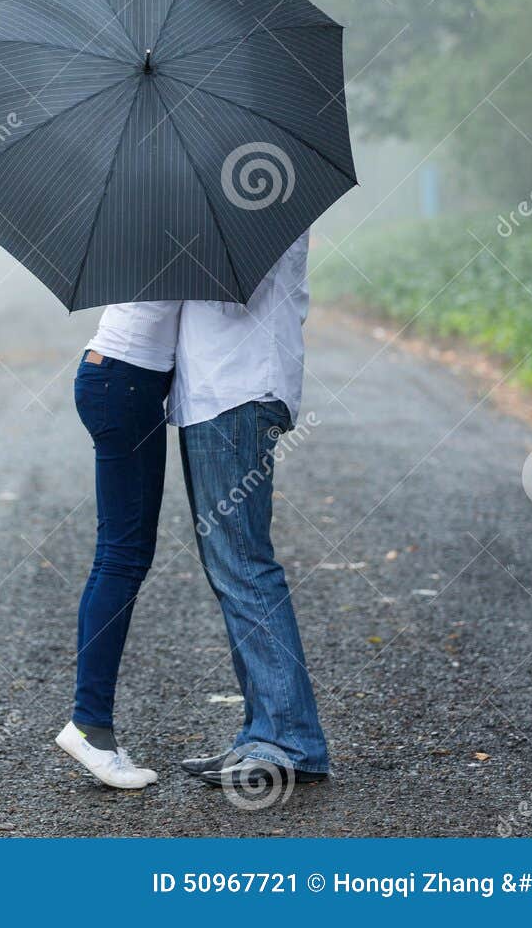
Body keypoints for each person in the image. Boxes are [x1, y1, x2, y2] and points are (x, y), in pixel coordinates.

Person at [169, 231, 329, 789]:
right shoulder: (226, 186)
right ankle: (264, 731)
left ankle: (288, 740)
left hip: (234, 391)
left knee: (243, 565)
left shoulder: (250, 194)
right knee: (232, 568)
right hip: (216, 390)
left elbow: (231, 285)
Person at [54, 300, 180, 789]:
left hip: (120, 377)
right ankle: (90, 725)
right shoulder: (178, 225)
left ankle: (92, 724)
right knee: (123, 559)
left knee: (117, 556)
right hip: (126, 381)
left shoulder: (156, 224)